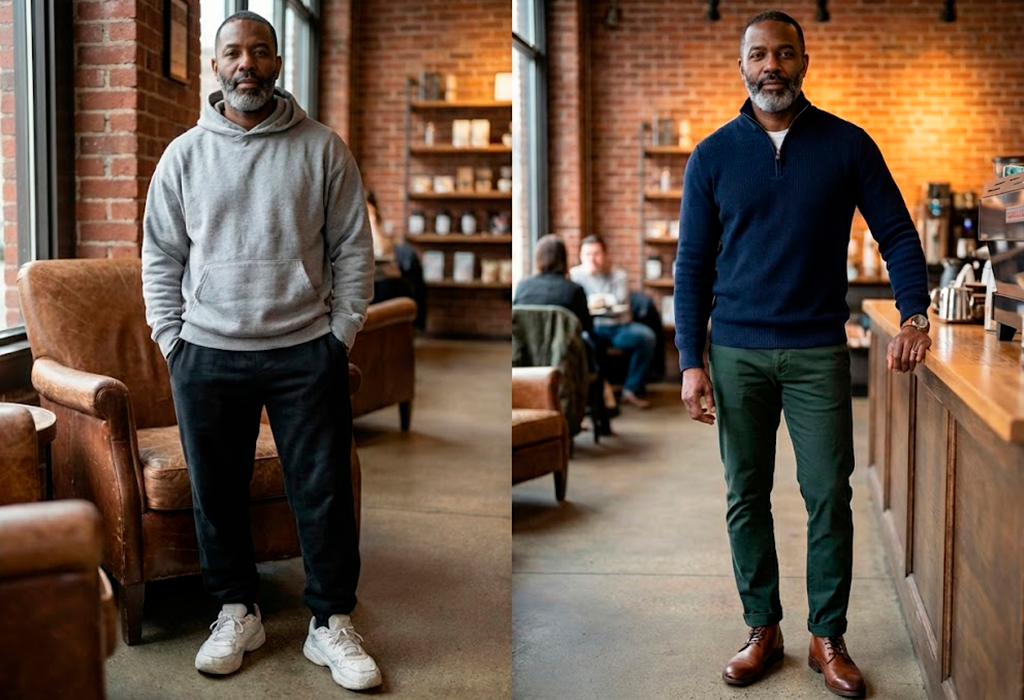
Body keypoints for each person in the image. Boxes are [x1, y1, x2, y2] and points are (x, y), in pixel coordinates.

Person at [674, 11, 931, 698]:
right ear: (742, 67)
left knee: (827, 496)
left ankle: (828, 634)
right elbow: (692, 264)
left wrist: (915, 314)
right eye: (758, 54)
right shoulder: (713, 155)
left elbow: (899, 237)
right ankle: (763, 628)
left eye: (784, 53)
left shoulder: (847, 145)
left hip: (818, 350)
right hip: (736, 353)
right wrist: (689, 360)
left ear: (805, 62)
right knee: (745, 496)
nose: (772, 66)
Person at [141, 11, 381, 690]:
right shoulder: (185, 155)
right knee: (216, 491)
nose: (246, 63)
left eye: (260, 51)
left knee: (324, 492)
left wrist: (340, 335)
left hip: (306, 348)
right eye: (232, 53)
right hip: (207, 352)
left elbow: (353, 250)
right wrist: (172, 340)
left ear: (278, 63)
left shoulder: (323, 148)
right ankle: (234, 610)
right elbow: (160, 254)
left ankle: (330, 622)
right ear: (216, 66)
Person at [570, 235, 657, 408]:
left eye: (596, 254)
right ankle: (596, 393)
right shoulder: (575, 276)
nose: (592, 259)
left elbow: (621, 305)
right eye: (587, 254)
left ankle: (631, 389)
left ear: (605, 254)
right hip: (592, 328)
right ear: (581, 256)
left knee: (647, 337)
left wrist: (598, 304)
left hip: (618, 327)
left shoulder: (618, 275)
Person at [514, 234, 593, 335]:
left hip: (528, 349)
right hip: (564, 349)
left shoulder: (522, 286)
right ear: (564, 259)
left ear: (538, 258)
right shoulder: (574, 290)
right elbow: (587, 326)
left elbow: (516, 323)